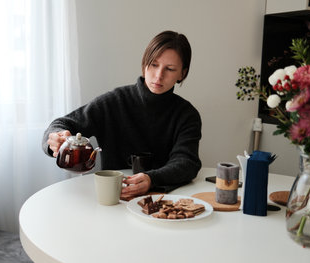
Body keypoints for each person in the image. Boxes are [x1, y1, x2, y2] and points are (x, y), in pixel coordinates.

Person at [42, 30, 202, 199]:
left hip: (166, 201)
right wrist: (55, 137)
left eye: (169, 69)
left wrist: (151, 179)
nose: (159, 75)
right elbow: (63, 123)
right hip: (114, 197)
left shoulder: (187, 114)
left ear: (182, 74)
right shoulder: (114, 101)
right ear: (144, 63)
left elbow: (187, 162)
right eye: (154, 65)